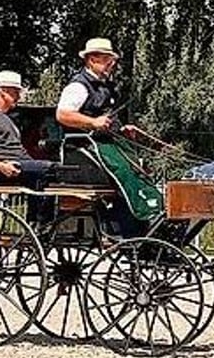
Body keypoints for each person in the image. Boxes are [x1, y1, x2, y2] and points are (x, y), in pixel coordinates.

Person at [56, 37, 163, 228]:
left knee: (139, 169)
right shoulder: (78, 86)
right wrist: (93, 122)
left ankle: (151, 215)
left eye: (111, 60)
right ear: (91, 60)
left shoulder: (107, 87)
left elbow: (106, 119)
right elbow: (63, 115)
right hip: (84, 145)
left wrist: (122, 129)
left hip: (108, 143)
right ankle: (139, 221)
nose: (111, 64)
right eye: (107, 59)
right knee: (123, 171)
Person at [0, 70, 55, 227]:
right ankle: (37, 222)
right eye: (15, 91)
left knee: (62, 171)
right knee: (50, 169)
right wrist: (1, 166)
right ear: (2, 91)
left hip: (22, 163)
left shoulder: (8, 119)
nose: (18, 96)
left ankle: (45, 222)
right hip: (8, 167)